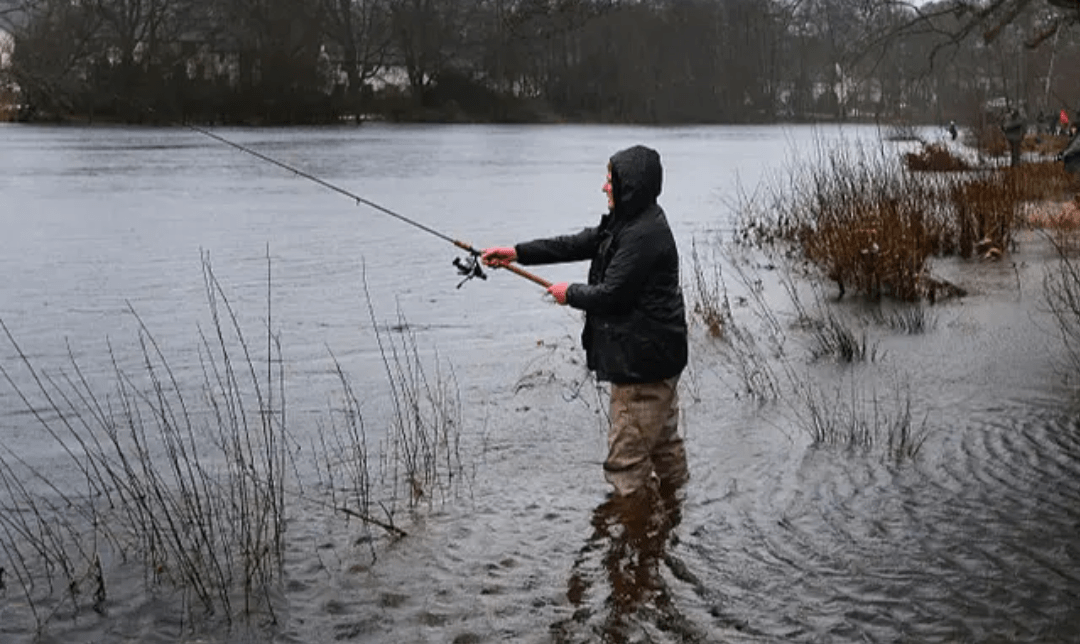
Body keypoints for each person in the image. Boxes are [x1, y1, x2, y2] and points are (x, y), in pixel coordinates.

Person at [481, 144, 689, 502]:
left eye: (610, 180)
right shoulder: (632, 220)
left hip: (642, 369)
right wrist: (517, 253)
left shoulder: (643, 235)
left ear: (630, 186)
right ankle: (675, 512)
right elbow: (575, 244)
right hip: (658, 360)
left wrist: (570, 293)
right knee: (664, 446)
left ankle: (633, 528)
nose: (604, 187)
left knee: (626, 464)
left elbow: (611, 295)